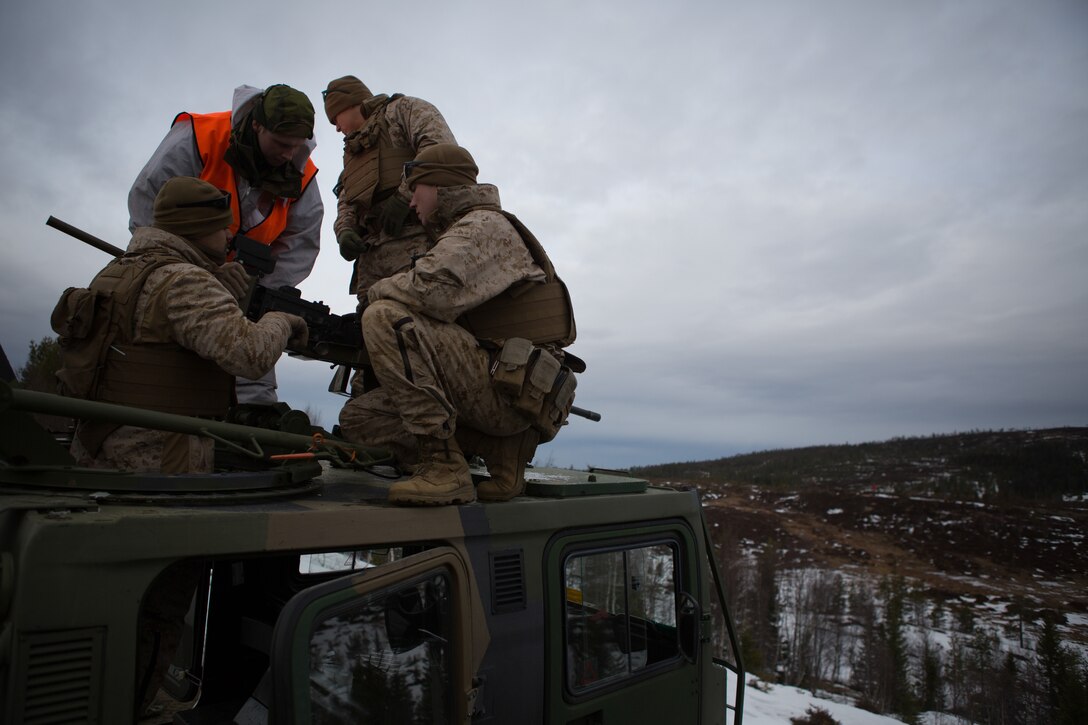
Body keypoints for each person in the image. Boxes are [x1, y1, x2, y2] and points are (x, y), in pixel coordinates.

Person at [338, 144, 579, 505]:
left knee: (385, 317)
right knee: (360, 419)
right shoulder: (462, 230)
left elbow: (429, 290)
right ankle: (500, 448)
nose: (412, 203)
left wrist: (374, 293)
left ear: (439, 188)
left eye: (415, 191)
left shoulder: (482, 227)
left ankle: (444, 469)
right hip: (494, 385)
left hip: (506, 393)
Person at [54, 176, 309, 474]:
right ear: (196, 228)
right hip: (158, 456)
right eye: (220, 226)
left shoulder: (117, 271)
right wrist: (281, 319)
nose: (228, 235)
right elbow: (250, 356)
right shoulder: (185, 280)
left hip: (100, 444)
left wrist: (211, 277)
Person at [127, 84, 322, 404]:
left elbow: (302, 244)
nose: (289, 153)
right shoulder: (199, 137)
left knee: (253, 394)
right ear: (258, 125)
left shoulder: (302, 171)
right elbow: (148, 210)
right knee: (161, 384)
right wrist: (201, 273)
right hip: (176, 284)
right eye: (281, 143)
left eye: (296, 145)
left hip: (244, 297)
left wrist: (252, 292)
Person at [321, 75, 456, 301]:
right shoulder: (353, 153)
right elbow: (347, 197)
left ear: (350, 103)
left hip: (418, 242)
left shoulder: (401, 111)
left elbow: (439, 149)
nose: (336, 128)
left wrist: (404, 196)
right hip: (372, 259)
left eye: (335, 119)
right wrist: (344, 231)